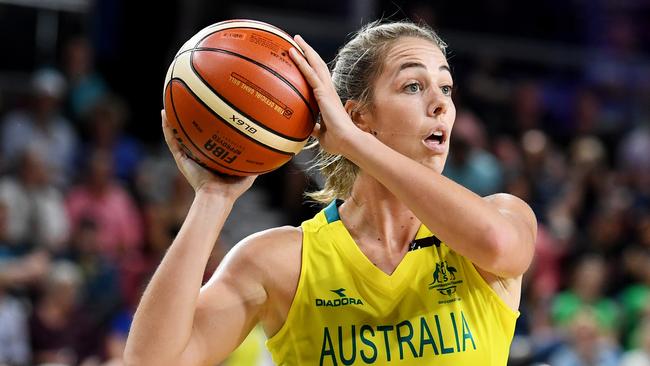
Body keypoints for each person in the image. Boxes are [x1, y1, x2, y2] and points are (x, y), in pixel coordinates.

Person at [124, 20, 537, 365]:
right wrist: (213, 198)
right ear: (357, 115)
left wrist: (353, 142)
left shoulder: (501, 216)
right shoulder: (280, 262)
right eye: (413, 86)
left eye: (445, 88)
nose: (440, 105)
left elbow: (497, 244)